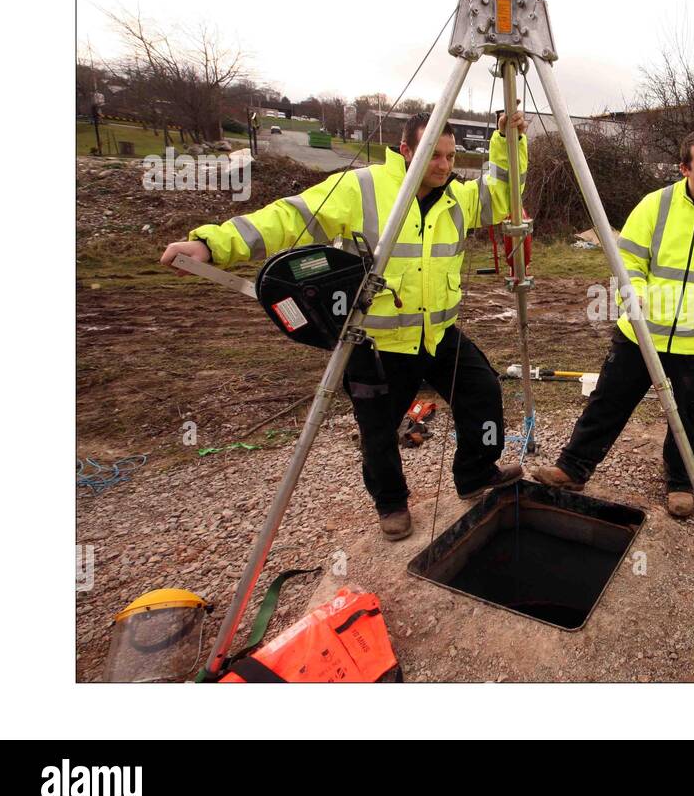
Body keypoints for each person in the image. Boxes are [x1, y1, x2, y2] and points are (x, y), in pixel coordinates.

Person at [160, 111, 529, 540]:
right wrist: (211, 244)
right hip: (378, 342)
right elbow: (291, 217)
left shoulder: (458, 197)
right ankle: (391, 504)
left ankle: (475, 474)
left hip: (437, 334)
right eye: (433, 155)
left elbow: (503, 192)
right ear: (405, 150)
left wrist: (507, 141)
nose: (444, 166)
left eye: (449, 156)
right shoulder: (364, 188)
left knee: (482, 392)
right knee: (378, 429)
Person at [533, 128, 694, 518]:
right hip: (640, 336)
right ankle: (573, 468)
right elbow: (628, 260)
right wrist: (637, 295)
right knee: (608, 401)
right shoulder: (654, 206)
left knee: (690, 416)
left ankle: (680, 482)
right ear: (684, 168)